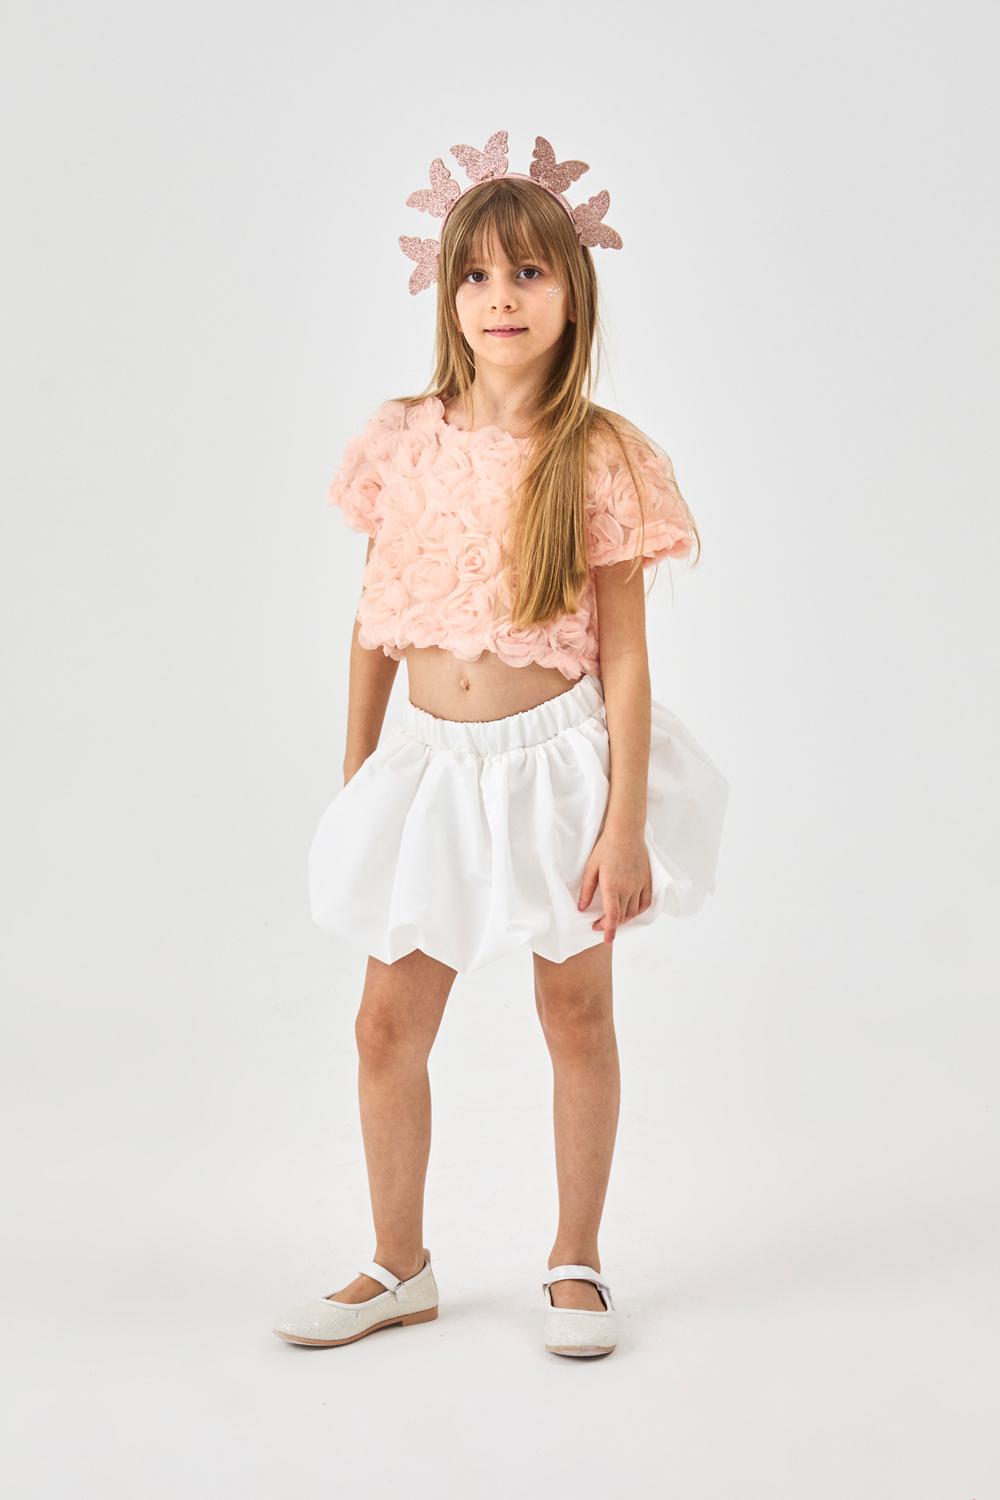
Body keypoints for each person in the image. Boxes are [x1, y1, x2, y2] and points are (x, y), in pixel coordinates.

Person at [274, 133, 728, 1358]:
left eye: (529, 272)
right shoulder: (402, 439)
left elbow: (623, 655)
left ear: (573, 290)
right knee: (385, 1024)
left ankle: (576, 1258)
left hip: (557, 768)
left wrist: (622, 822)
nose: (501, 298)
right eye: (475, 275)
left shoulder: (599, 453)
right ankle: (398, 1262)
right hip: (429, 770)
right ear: (446, 294)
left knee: (573, 1012)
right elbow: (374, 621)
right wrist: (359, 772)